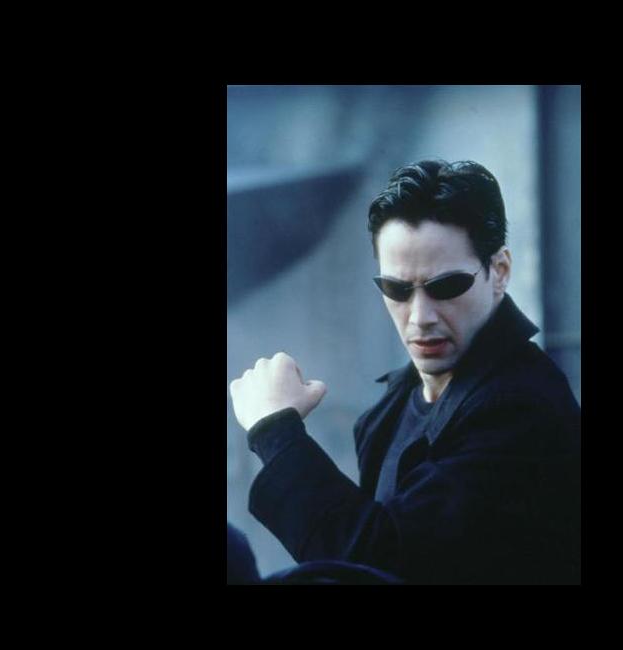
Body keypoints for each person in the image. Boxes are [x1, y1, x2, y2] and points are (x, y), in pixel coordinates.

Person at [228, 159, 580, 584]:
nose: (420, 317)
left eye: (446, 287)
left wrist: (275, 432)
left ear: (500, 272)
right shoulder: (397, 404)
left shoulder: (520, 407)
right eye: (396, 289)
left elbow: (381, 564)